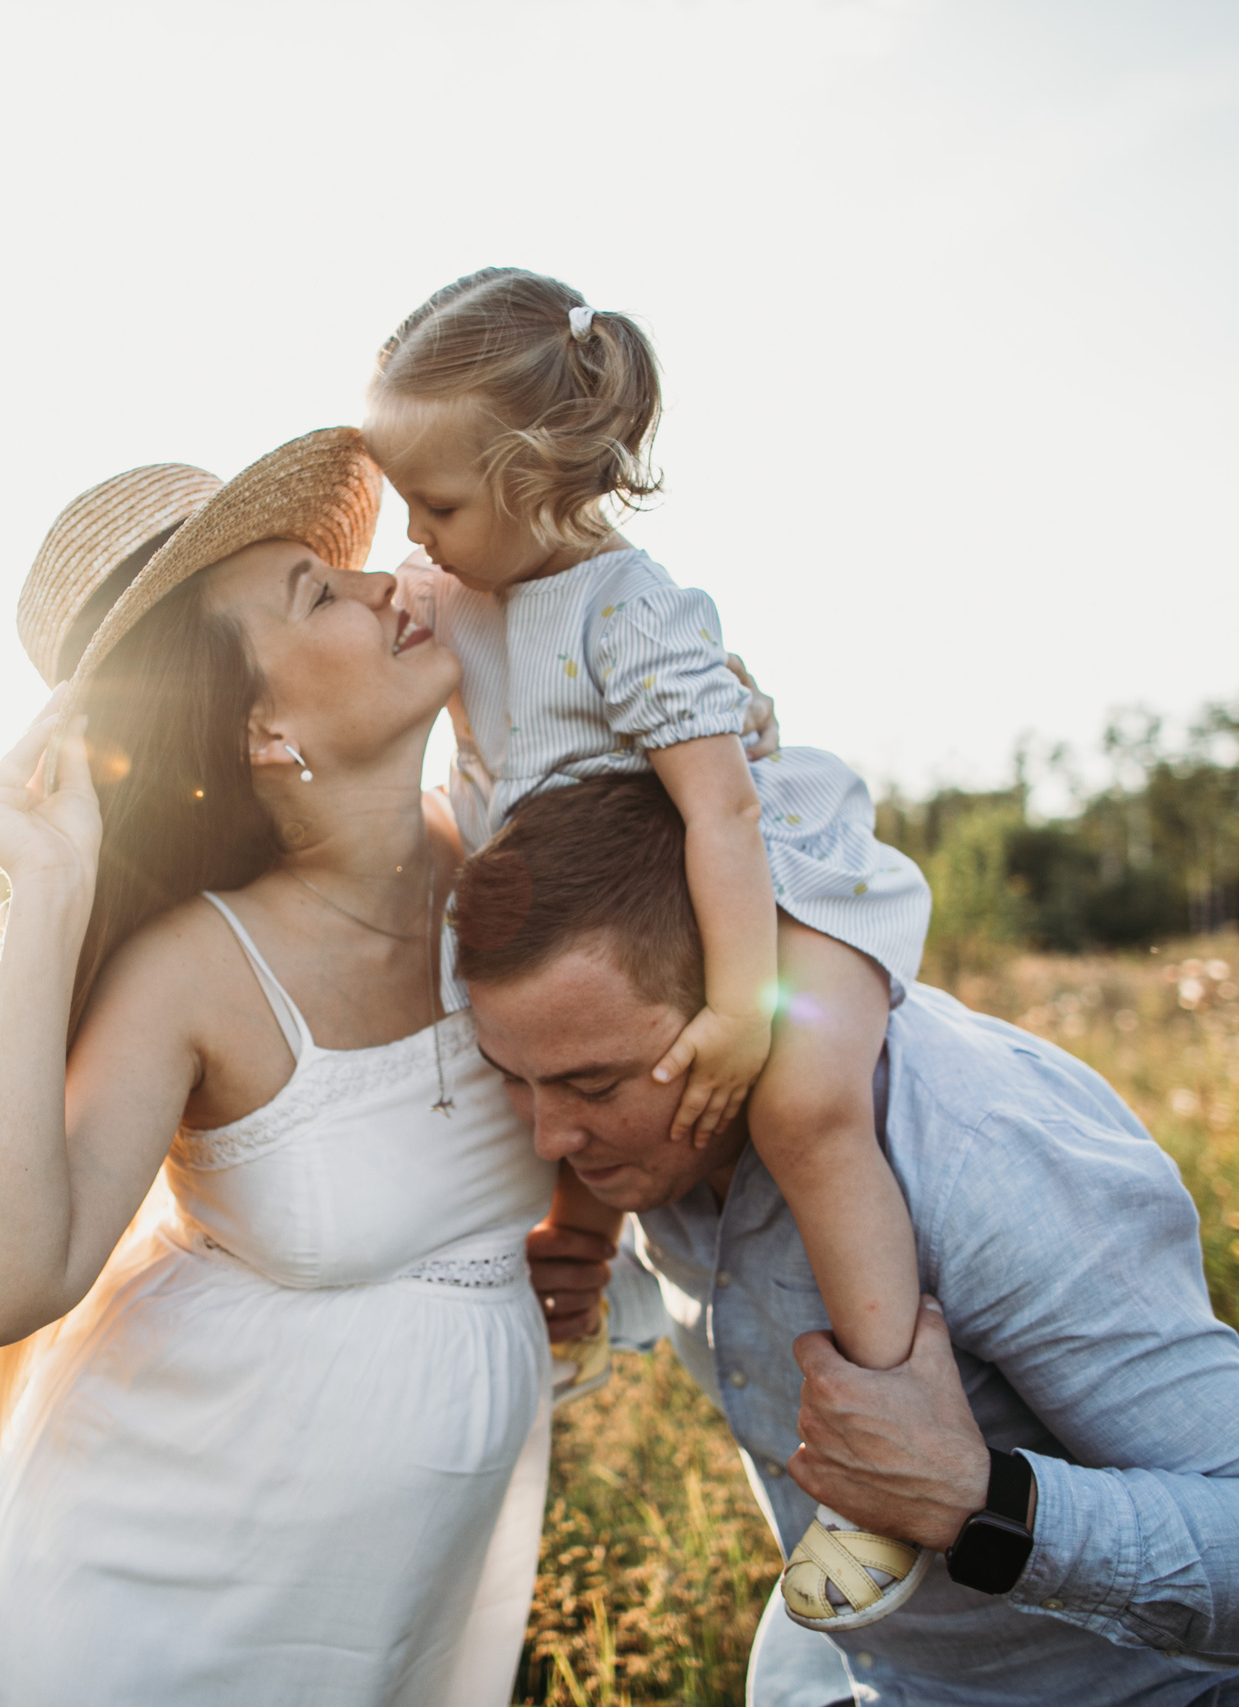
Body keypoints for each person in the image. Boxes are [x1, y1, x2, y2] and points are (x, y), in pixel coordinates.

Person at [0, 427, 794, 1704]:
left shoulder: (521, 872)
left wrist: (721, 735)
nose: (387, 584)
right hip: (145, 1600)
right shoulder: (197, 972)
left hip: (385, 1608)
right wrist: (47, 887)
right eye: (318, 593)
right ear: (258, 728)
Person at [463, 775, 1239, 1706]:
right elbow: (740, 1287)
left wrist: (982, 1504)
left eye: (593, 1085)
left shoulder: (983, 1161)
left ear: (736, 1008)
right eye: (511, 1073)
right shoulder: (655, 1141)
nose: (550, 1137)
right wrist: (601, 1290)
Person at [365, 267, 937, 1626]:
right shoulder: (460, 589)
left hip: (750, 889)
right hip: (603, 918)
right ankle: (578, 1297)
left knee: (802, 1104)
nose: (412, 531)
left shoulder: (627, 610)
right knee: (554, 1099)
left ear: (537, 479)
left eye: (436, 503)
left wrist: (744, 1009)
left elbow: (722, 809)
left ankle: (892, 1446)